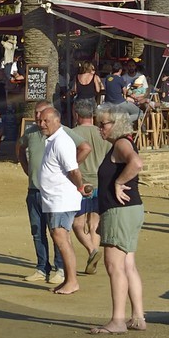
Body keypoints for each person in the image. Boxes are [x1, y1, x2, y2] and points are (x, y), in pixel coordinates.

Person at [90, 101, 146, 334]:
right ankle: (138, 317)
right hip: (130, 210)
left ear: (117, 124)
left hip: (120, 211)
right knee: (128, 265)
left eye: (103, 124)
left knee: (114, 265)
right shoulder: (119, 145)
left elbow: (137, 163)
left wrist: (119, 182)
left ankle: (118, 320)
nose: (100, 129)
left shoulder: (122, 143)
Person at [35, 102, 88, 295]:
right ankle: (69, 279)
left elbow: (73, 170)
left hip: (61, 199)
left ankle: (72, 281)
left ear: (57, 121)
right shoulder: (52, 140)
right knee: (61, 237)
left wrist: (80, 186)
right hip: (53, 199)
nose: (41, 124)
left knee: (60, 237)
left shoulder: (61, 141)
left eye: (46, 121)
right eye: (40, 120)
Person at [16, 112, 59, 284]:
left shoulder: (63, 134)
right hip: (34, 190)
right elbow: (19, 147)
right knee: (37, 232)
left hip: (53, 193)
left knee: (56, 231)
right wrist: (26, 168)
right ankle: (42, 268)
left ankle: (60, 268)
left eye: (44, 119)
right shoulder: (31, 132)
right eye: (37, 118)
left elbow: (84, 147)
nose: (40, 122)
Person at [67, 98, 105, 274]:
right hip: (101, 182)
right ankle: (93, 258)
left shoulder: (72, 133)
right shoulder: (103, 133)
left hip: (82, 183)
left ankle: (92, 251)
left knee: (77, 223)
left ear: (76, 114)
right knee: (94, 222)